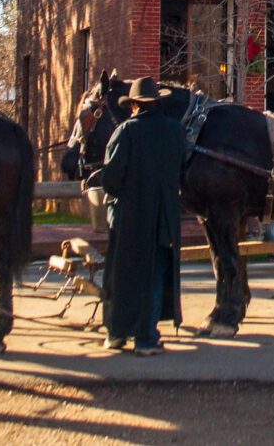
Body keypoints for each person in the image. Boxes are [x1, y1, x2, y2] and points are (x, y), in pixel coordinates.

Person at [100, 77, 185, 356]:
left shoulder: (125, 132)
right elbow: (181, 173)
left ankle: (117, 333)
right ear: (157, 102)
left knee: (121, 275)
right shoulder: (176, 131)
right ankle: (147, 337)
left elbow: (110, 179)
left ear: (135, 105)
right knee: (155, 277)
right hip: (163, 218)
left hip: (129, 218)